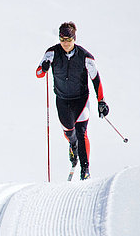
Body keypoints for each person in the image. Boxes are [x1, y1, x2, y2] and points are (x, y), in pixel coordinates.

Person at [36, 22, 109, 180]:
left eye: (68, 40)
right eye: (62, 40)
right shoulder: (52, 53)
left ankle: (85, 169)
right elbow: (39, 73)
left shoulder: (86, 56)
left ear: (74, 39)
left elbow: (96, 79)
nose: (65, 43)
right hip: (62, 100)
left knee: (82, 132)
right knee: (70, 132)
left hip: (81, 100)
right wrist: (45, 67)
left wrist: (101, 101)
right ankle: (72, 145)